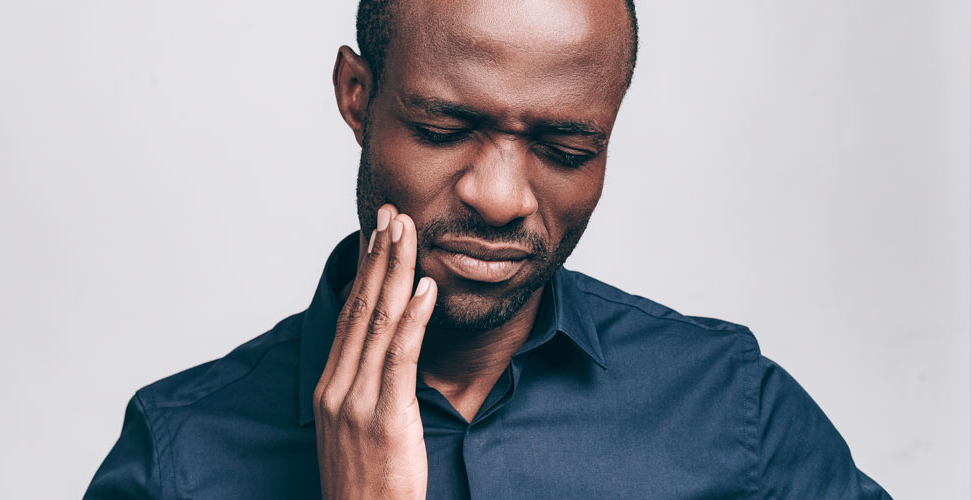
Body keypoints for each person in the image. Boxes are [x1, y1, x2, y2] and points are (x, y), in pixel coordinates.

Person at [85, 0, 892, 498]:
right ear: (356, 97)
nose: (500, 198)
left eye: (566, 148)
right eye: (444, 130)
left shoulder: (730, 408)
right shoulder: (180, 456)